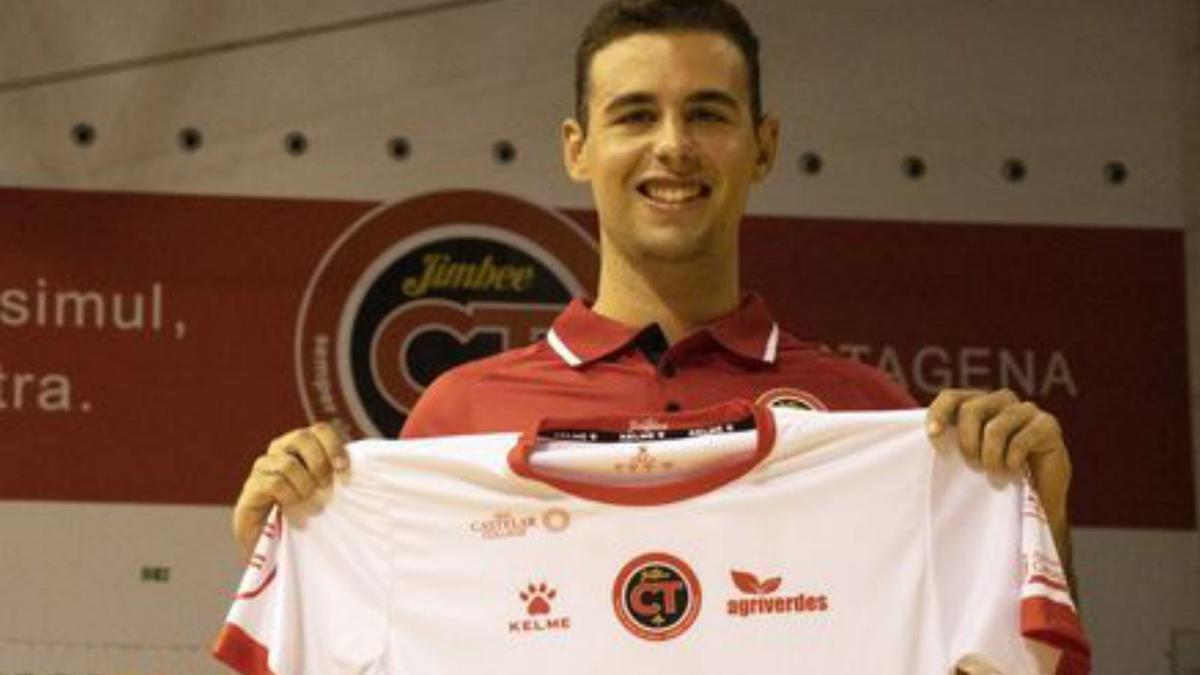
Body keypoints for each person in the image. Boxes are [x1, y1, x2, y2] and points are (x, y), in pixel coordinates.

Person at [232, 0, 1073, 587]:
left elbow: (1003, 659)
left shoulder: (874, 418)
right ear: (577, 147)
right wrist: (292, 541)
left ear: (764, 145)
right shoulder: (454, 416)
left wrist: (1040, 513)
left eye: (707, 113)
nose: (673, 147)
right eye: (635, 115)